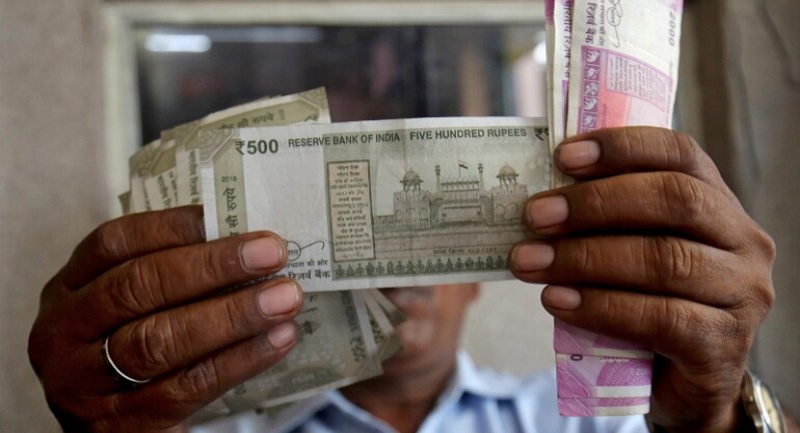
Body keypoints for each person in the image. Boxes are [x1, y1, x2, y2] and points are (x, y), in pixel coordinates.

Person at [28, 127, 793, 433]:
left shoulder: (587, 421)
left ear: (477, 279)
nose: (403, 280)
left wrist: (721, 415)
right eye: (385, 258)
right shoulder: (213, 429)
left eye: (430, 260)